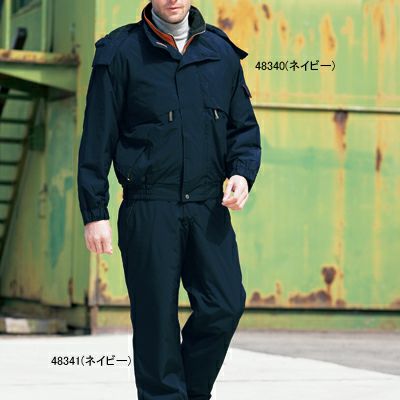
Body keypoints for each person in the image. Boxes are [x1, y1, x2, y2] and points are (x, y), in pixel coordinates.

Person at [77, 0, 261, 399]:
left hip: (208, 207)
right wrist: (95, 212)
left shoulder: (221, 52)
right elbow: (97, 137)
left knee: (225, 304)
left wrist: (242, 173)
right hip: (149, 205)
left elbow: (243, 130)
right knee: (156, 321)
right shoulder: (120, 52)